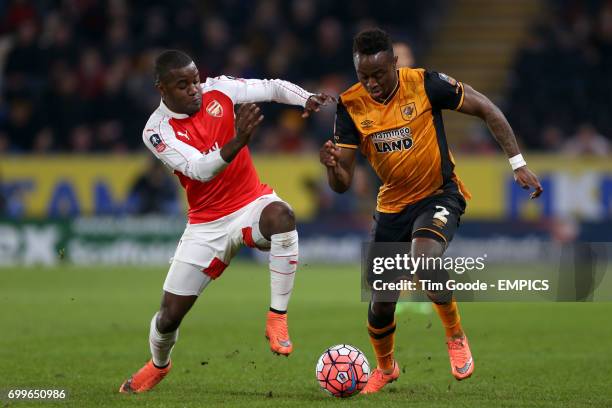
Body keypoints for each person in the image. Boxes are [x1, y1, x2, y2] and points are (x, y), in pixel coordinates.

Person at [319, 28, 543, 394]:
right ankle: (386, 368)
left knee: (424, 261)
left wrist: (517, 163)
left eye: (379, 74)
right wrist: (332, 166)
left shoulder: (425, 84)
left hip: (438, 194)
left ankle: (455, 335)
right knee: (381, 305)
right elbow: (342, 182)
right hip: (391, 207)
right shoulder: (349, 104)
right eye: (364, 77)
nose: (373, 84)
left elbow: (486, 108)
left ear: (394, 63)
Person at [120, 50, 334, 394]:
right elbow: (198, 170)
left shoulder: (218, 89)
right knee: (168, 317)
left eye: (195, 80)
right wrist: (239, 140)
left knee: (283, 216)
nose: (194, 89)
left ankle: (277, 316)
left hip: (251, 203)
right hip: (206, 226)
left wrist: (305, 97)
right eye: (183, 85)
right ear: (162, 89)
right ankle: (159, 365)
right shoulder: (156, 130)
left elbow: (272, 87)